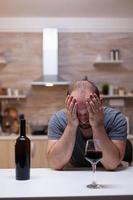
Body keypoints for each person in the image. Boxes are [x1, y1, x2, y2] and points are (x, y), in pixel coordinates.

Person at [47, 79, 127, 170]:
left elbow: (111, 164)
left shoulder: (116, 119)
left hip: (107, 175)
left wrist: (98, 125)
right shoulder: (58, 119)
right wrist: (71, 125)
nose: (83, 120)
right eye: (77, 113)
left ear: (99, 103)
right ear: (68, 106)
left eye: (88, 112)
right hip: (73, 174)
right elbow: (54, 164)